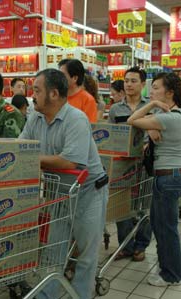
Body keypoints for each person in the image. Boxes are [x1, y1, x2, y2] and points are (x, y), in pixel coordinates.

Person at [20, 68, 108, 299]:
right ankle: (46, 294)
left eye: (37, 90)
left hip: (89, 190)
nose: (32, 95)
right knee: (53, 249)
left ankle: (81, 295)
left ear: (54, 94)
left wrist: (32, 158)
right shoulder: (35, 117)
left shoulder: (76, 118)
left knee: (86, 252)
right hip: (59, 191)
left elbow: (70, 161)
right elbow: (20, 148)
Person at [127, 72, 181, 286]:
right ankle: (178, 268)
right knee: (163, 224)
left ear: (169, 93)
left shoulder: (169, 117)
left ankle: (170, 275)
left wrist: (151, 104)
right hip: (171, 176)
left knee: (165, 228)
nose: (151, 92)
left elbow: (132, 119)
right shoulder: (173, 115)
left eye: (155, 88)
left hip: (168, 176)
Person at [108, 67, 152, 262]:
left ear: (143, 84)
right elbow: (109, 135)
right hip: (122, 164)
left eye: (133, 81)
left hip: (146, 162)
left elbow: (159, 132)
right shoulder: (116, 109)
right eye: (126, 81)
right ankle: (126, 245)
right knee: (121, 205)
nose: (128, 84)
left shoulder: (151, 107)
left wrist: (147, 145)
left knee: (144, 204)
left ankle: (141, 246)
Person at [58, 59, 98, 123]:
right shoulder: (57, 97)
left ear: (75, 78)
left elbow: (89, 127)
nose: (58, 78)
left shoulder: (88, 100)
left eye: (62, 75)